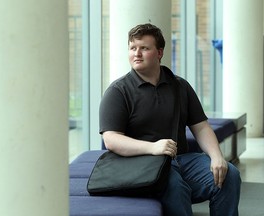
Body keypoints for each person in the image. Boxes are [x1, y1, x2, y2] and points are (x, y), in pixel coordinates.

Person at [99, 23, 241, 216]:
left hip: (182, 160)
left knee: (229, 175)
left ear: (159, 53)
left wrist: (217, 157)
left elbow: (201, 127)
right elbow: (111, 139)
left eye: (144, 48)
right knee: (175, 187)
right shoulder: (118, 91)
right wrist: (152, 147)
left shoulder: (180, 86)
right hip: (143, 164)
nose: (137, 54)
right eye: (133, 48)